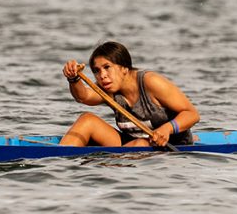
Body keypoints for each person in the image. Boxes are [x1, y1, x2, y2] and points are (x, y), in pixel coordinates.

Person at [59, 41, 200, 147]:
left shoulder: (151, 82)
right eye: (96, 71)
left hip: (171, 147)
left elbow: (192, 114)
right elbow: (83, 96)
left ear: (125, 68)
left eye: (107, 67)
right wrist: (73, 78)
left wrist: (167, 129)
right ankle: (60, 161)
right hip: (132, 145)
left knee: (140, 144)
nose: (102, 75)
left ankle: (105, 165)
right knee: (87, 119)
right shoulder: (109, 88)